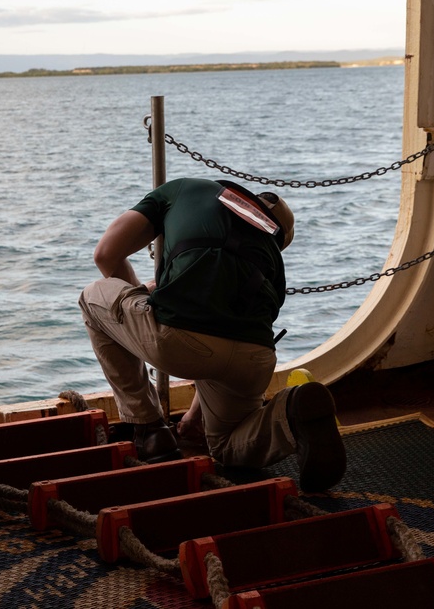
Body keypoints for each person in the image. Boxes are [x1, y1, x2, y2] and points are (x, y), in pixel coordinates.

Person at [78, 177, 345, 492]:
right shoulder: (270, 256)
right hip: (254, 358)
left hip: (178, 340)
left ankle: (150, 431)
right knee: (228, 445)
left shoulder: (183, 190)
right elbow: (222, 344)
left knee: (93, 298)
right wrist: (193, 418)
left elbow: (105, 255)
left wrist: (145, 298)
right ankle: (289, 414)